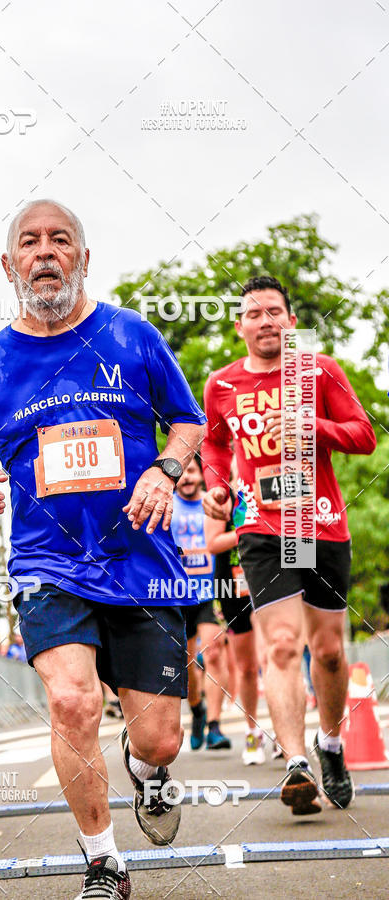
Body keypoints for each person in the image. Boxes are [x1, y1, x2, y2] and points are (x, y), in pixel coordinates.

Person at [0, 199, 206, 899]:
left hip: (143, 565)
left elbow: (187, 422)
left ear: (85, 258)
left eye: (62, 240)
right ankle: (103, 862)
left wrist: (164, 469)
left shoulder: (131, 335)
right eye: (30, 242)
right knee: (71, 702)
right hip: (47, 564)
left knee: (161, 740)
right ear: (9, 265)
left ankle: (145, 773)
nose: (46, 252)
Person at [202, 274, 376, 815]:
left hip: (319, 524)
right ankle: (296, 763)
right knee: (279, 645)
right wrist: (215, 485)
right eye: (253, 313)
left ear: (291, 322)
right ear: (240, 327)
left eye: (274, 311)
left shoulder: (318, 372)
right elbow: (212, 441)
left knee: (326, 652)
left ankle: (331, 745)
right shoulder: (222, 385)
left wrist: (313, 424)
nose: (265, 321)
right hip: (260, 527)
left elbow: (364, 436)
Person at [204, 458, 265, 765]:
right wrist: (252, 533)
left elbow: (298, 532)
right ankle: (253, 731)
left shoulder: (275, 481)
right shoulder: (223, 494)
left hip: (273, 582)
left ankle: (285, 737)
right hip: (233, 587)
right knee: (247, 667)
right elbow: (212, 543)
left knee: (277, 652)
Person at [171, 455, 231, 751]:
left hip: (210, 589)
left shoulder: (213, 502)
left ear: (201, 475)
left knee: (215, 653)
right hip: (177, 594)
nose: (187, 478)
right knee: (187, 663)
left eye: (192, 471)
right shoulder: (167, 503)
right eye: (181, 474)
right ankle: (197, 711)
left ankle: (215, 726)